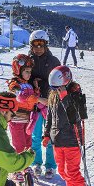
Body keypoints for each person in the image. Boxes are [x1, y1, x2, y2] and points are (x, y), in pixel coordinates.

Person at [43, 66, 89, 186]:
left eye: (58, 87)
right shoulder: (53, 95)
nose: (56, 90)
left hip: (72, 138)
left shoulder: (75, 94)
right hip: (58, 139)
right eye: (54, 88)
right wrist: (46, 134)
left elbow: (75, 116)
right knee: (63, 171)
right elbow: (49, 117)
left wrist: (65, 96)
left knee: (72, 171)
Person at [28, 30, 60, 178]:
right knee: (35, 136)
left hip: (50, 104)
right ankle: (36, 163)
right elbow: (22, 79)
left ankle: (50, 165)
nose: (39, 48)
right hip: (34, 105)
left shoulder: (53, 61)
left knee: (51, 135)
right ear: (31, 45)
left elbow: (61, 80)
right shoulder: (28, 60)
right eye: (36, 44)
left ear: (46, 45)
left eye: (42, 44)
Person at [7, 54, 44, 155]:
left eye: (30, 72)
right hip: (16, 119)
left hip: (27, 119)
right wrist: (38, 99)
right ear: (18, 70)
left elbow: (33, 100)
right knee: (19, 145)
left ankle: (26, 166)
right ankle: (18, 168)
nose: (29, 74)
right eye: (26, 71)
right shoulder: (15, 83)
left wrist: (36, 89)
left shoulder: (28, 85)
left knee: (28, 144)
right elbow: (21, 97)